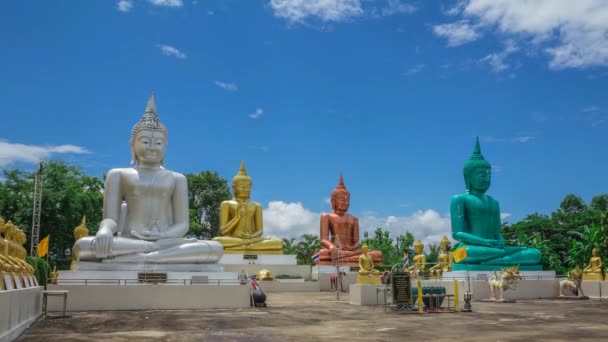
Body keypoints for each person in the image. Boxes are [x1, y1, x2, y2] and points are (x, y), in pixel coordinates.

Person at [75, 93, 223, 264]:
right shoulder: (118, 174)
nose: (152, 147)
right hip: (129, 240)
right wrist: (105, 230)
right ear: (133, 144)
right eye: (145, 141)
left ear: (166, 146)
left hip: (165, 240)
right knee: (82, 246)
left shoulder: (177, 178)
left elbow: (183, 224)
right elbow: (111, 219)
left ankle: (143, 256)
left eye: (158, 143)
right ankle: (153, 254)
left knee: (215, 248)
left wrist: (164, 236)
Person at [450, 137, 540, 269]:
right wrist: (484, 242)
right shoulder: (459, 199)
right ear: (469, 177)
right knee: (466, 253)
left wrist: (499, 241)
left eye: (489, 175)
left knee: (535, 254)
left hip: (493, 248)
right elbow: (457, 234)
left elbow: (497, 232)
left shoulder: (494, 202)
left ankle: (496, 260)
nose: (487, 179)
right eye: (482, 175)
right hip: (471, 248)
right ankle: (505, 257)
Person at [316, 175, 382, 264]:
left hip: (351, 250)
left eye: (348, 200)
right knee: (323, 253)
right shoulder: (327, 216)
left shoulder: (354, 218)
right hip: (335, 250)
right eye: (342, 200)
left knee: (377, 254)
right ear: (333, 201)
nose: (346, 203)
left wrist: (353, 248)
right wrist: (331, 246)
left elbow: (356, 241)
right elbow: (323, 239)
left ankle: (346, 257)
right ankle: (352, 257)